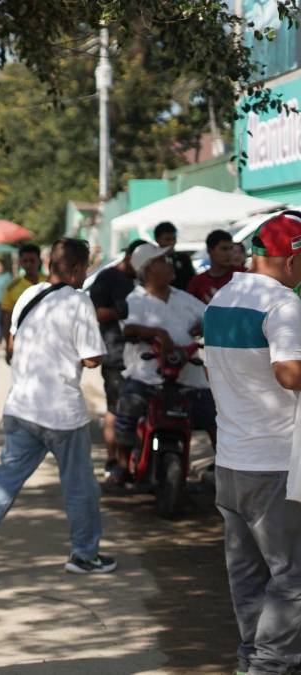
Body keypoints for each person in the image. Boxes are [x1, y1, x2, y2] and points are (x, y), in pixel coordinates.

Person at [0, 238, 116, 577]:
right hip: (61, 413)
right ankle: (84, 554)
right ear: (75, 269)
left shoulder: (30, 295)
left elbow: (12, 345)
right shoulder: (79, 301)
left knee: (3, 481)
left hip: (22, 407)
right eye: (84, 268)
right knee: (80, 486)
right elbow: (91, 358)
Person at [204, 211, 301, 675]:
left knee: (246, 574)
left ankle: (251, 658)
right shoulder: (283, 305)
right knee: (291, 575)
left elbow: (211, 370)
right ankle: (269, 666)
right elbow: (288, 372)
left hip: (231, 460)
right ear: (291, 260)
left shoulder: (221, 298)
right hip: (274, 462)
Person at [113, 243, 215, 483]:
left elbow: (210, 315)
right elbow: (128, 328)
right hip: (147, 377)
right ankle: (121, 467)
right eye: (162, 260)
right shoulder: (135, 299)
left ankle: (227, 470)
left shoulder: (184, 298)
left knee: (216, 417)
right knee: (127, 409)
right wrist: (158, 333)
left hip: (189, 377)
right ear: (148, 269)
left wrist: (205, 326)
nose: (170, 264)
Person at [88, 240, 145, 485]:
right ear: (129, 256)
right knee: (116, 409)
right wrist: (122, 311)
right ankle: (114, 461)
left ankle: (137, 461)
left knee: (139, 411)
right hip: (115, 354)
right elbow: (97, 313)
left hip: (144, 358)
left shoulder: (145, 278)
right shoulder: (107, 278)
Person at [0, 243, 46, 336]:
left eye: (32, 261)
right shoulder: (12, 287)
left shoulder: (49, 282)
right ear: (20, 262)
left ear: (39, 261)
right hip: (23, 336)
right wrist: (7, 341)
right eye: (25, 261)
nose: (29, 264)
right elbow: (6, 316)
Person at [188, 229, 237, 304]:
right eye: (224, 249)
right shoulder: (197, 282)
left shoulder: (244, 275)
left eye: (231, 248)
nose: (229, 253)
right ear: (210, 250)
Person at [154, 221, 196, 291]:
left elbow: (192, 282)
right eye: (167, 239)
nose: (171, 243)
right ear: (157, 240)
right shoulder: (152, 261)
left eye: (174, 239)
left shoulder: (183, 259)